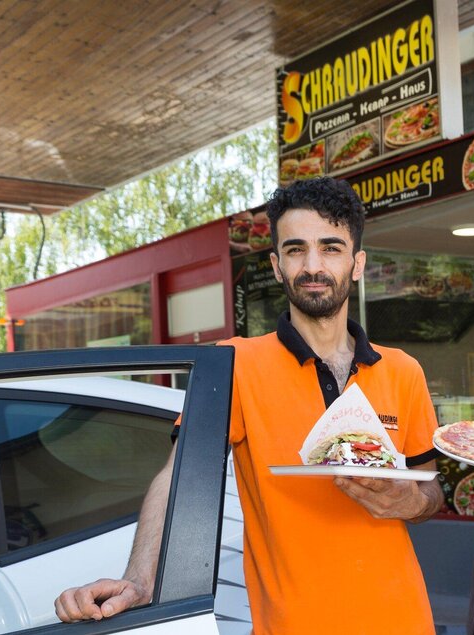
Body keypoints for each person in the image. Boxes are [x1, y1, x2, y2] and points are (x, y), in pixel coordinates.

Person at [54, 177, 444, 634]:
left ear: (357, 263)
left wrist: (410, 502)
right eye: (296, 250)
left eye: (331, 248)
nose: (312, 266)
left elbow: (431, 490)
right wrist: (140, 580)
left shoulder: (403, 371)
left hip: (404, 619)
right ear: (277, 265)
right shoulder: (234, 363)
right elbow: (178, 475)